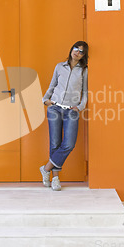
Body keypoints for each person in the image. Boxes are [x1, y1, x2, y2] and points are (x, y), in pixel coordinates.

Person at [40, 41, 88, 191]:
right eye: (76, 49)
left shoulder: (84, 71)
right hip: (54, 108)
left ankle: (46, 168)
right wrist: (45, 100)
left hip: (71, 110)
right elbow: (52, 85)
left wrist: (80, 107)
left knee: (68, 144)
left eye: (81, 51)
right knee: (55, 143)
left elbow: (85, 92)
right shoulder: (60, 66)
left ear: (83, 55)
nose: (77, 52)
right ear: (71, 49)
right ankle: (55, 179)